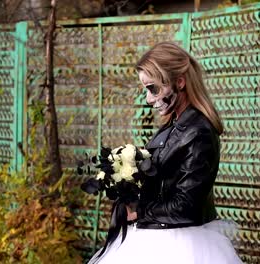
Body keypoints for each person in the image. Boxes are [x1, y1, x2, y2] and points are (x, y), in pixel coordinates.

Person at [89, 42, 243, 264]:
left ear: (179, 82)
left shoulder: (198, 132)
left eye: (153, 88)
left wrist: (139, 211)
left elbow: (186, 206)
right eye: (146, 90)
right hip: (154, 236)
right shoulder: (173, 126)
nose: (149, 99)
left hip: (184, 246)